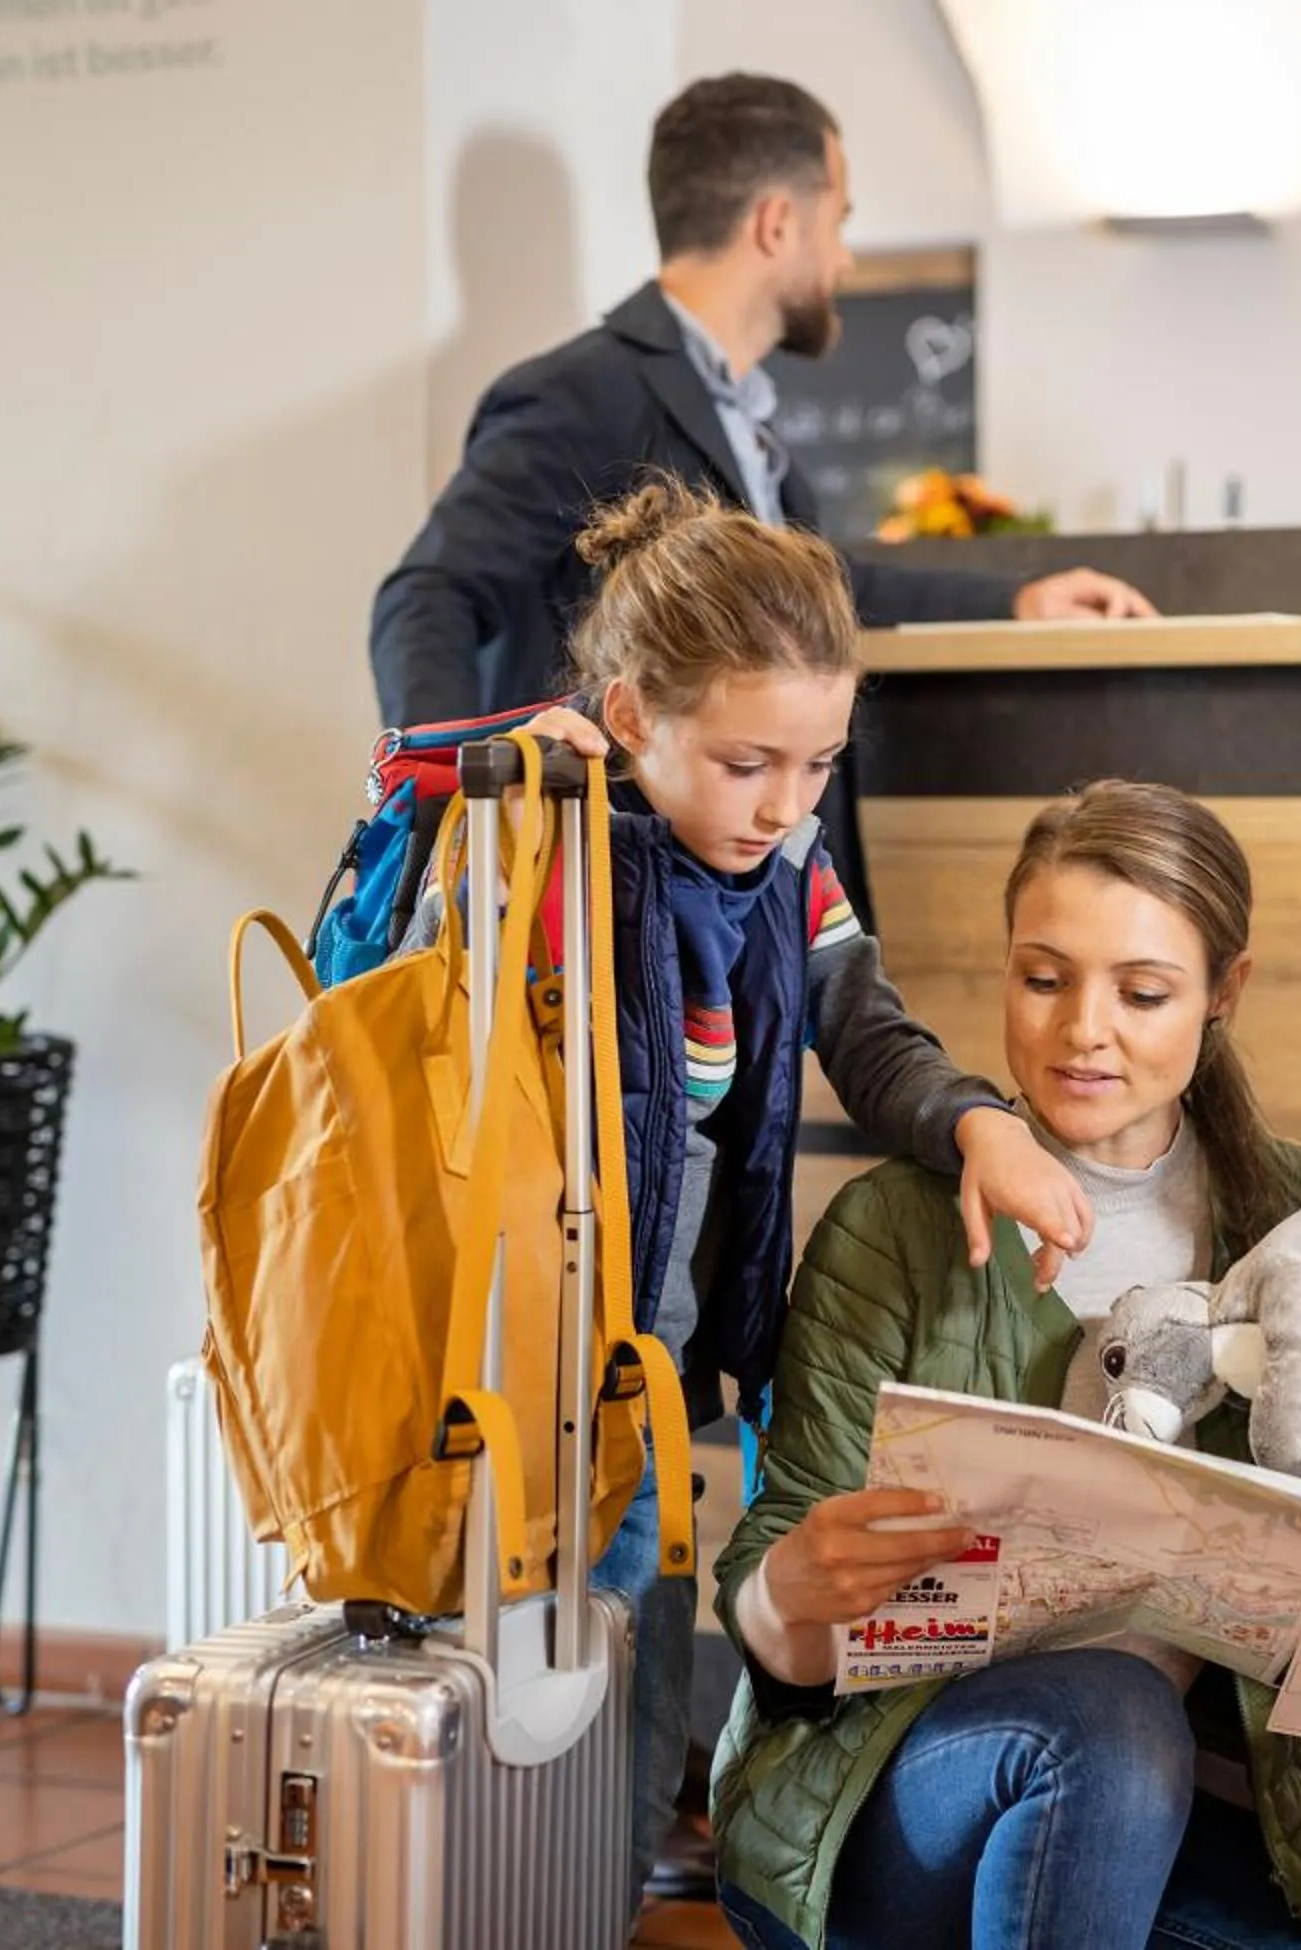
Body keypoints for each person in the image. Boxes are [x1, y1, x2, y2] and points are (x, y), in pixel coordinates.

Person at [708, 780, 1301, 1950]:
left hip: (1160, 1806)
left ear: (1223, 995)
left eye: (1143, 993)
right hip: (879, 1805)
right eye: (1042, 978)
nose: (1083, 1028)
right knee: (1112, 1712)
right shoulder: (894, 1226)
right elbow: (777, 1622)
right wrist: (790, 1592)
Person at [434, 480, 1096, 1906]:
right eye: (749, 763)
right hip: (521, 1352)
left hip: (656, 1359)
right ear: (628, 718)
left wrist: (974, 1120)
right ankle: (523, 1888)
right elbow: (430, 1016)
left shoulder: (788, 861)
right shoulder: (549, 845)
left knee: (642, 1622)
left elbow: (863, 1023)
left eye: (817, 763)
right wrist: (505, 805)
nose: (788, 803)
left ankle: (602, 1872)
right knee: (520, 1650)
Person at [372, 71, 1154, 928]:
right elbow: (428, 595)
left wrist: (1016, 598)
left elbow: (823, 587)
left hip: (758, 916)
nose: (845, 258)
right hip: (621, 921)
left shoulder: (751, 421)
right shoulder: (576, 394)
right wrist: (463, 799)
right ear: (778, 222)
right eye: (840, 221)